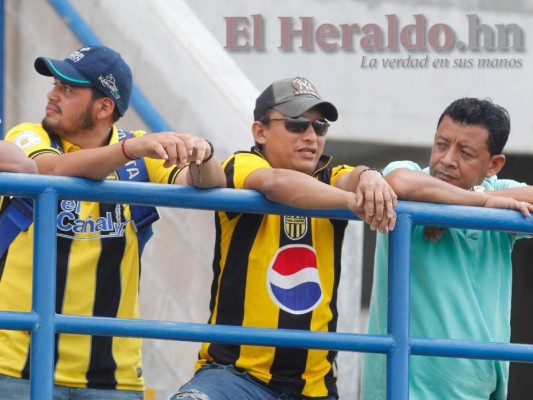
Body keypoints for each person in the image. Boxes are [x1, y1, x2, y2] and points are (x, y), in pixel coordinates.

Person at [0, 45, 225, 399]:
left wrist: (203, 153)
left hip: (112, 379)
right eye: (55, 84)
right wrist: (132, 150)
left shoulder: (137, 157)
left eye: (67, 89)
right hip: (13, 366)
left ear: (105, 107)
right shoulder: (30, 136)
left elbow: (205, 183)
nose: (51, 94)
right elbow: (48, 171)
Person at [169, 76, 397, 400]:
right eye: (296, 124)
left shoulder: (329, 176)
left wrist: (371, 176)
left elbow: (355, 175)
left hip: (314, 389)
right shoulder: (244, 163)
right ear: (259, 132)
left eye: (320, 127)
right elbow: (274, 183)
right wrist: (351, 201)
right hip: (234, 377)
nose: (310, 137)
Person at [361, 98, 533, 400]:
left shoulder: (499, 192)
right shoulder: (409, 176)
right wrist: (479, 205)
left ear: (493, 165)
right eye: (441, 144)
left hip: (482, 388)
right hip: (403, 385)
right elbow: (399, 182)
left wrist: (461, 200)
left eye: (465, 152)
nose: (447, 160)